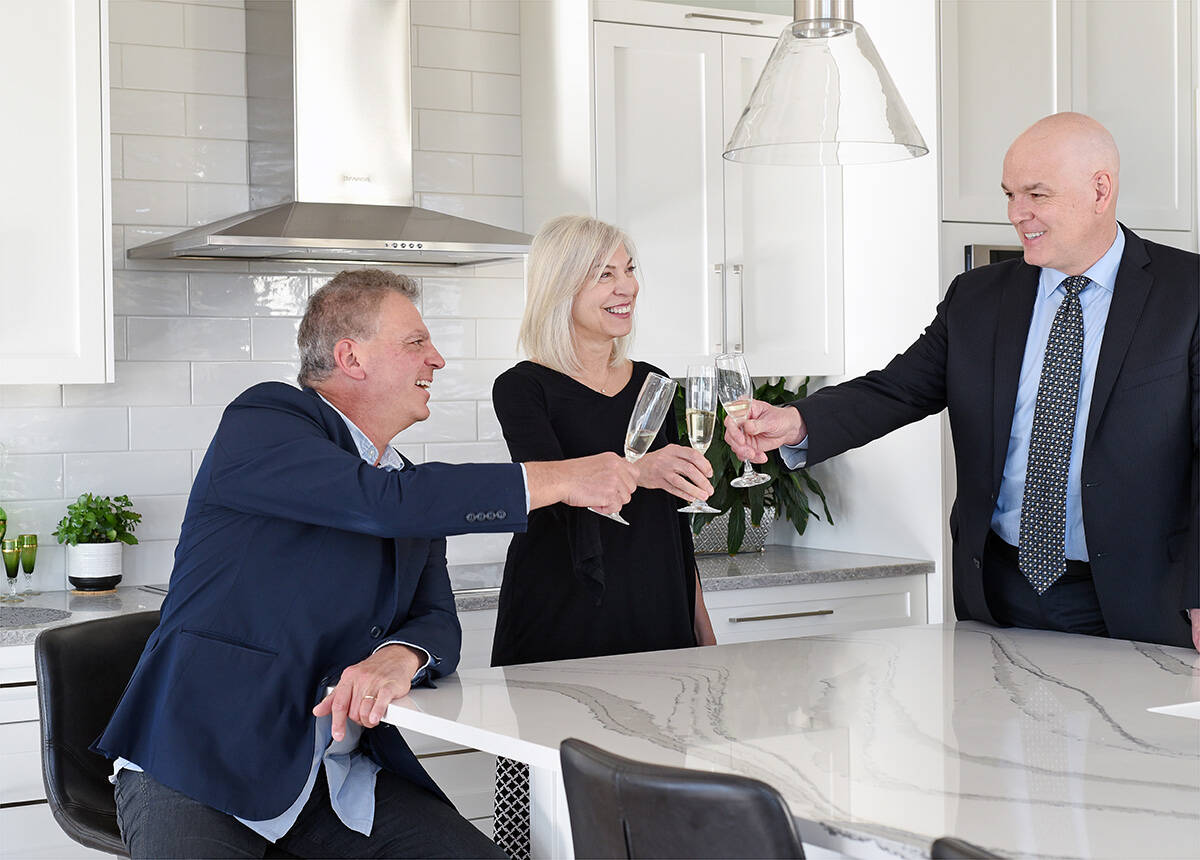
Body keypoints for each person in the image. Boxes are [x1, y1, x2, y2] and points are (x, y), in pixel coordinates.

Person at [95, 268, 639, 859]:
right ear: (350, 357)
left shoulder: (405, 486)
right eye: (415, 343)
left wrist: (397, 656)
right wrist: (562, 477)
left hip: (334, 780)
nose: (437, 360)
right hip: (200, 760)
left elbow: (437, 621)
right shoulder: (265, 419)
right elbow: (380, 504)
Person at [725, 112, 1199, 651]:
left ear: (1100, 189)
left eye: (1036, 195)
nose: (1018, 215)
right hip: (998, 593)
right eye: (1010, 195)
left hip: (1144, 599)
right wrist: (796, 422)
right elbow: (896, 389)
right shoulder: (976, 297)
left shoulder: (1188, 294)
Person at [490, 214, 718, 667]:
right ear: (561, 288)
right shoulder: (523, 388)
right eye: (604, 275)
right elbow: (549, 493)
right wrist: (640, 470)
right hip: (564, 612)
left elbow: (675, 527)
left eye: (629, 270)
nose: (627, 287)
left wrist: (702, 630)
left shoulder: (653, 382)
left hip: (658, 610)